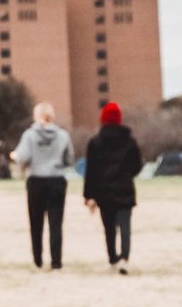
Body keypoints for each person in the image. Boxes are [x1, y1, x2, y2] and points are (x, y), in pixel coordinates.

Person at [12, 101, 75, 270]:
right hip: (56, 180)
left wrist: (15, 156)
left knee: (36, 222)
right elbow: (69, 159)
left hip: (36, 181)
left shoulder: (29, 135)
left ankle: (38, 259)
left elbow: (22, 157)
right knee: (56, 223)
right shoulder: (62, 135)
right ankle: (56, 261)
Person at [84, 101, 143, 275]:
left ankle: (112, 258)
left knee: (109, 228)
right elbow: (138, 165)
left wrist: (89, 195)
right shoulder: (130, 140)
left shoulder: (95, 142)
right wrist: (127, 174)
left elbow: (91, 171)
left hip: (104, 192)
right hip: (124, 189)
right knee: (125, 227)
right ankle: (124, 257)